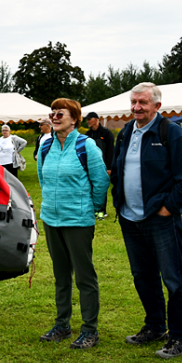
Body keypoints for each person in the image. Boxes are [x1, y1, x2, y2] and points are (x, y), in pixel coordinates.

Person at [110, 82, 182, 359]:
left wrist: (167, 208)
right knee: (143, 276)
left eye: (143, 103)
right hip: (130, 218)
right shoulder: (126, 132)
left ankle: (180, 338)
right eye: (133, 102)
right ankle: (155, 326)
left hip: (159, 220)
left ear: (157, 106)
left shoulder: (169, 132)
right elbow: (117, 169)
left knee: (173, 279)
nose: (136, 107)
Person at [38, 99, 109, 349]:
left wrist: (94, 209)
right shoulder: (46, 146)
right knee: (60, 276)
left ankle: (90, 330)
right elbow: (42, 180)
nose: (54, 117)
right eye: (52, 113)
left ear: (74, 119)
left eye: (60, 113)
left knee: (84, 277)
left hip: (78, 220)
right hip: (51, 219)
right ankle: (62, 325)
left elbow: (100, 181)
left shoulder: (86, 145)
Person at [85, 111, 114, 220]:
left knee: (101, 187)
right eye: (87, 119)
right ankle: (93, 210)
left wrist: (109, 167)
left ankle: (102, 211)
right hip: (90, 166)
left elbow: (111, 150)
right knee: (90, 188)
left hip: (103, 166)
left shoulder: (106, 133)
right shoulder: (88, 134)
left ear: (96, 120)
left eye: (90, 119)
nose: (87, 121)